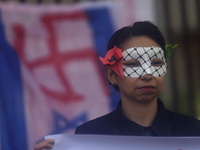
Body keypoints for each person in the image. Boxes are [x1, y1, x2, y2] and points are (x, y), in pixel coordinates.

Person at [34, 21, 200, 150]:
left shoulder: (193, 131)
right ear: (112, 75)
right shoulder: (89, 136)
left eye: (156, 63)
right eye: (134, 64)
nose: (148, 74)